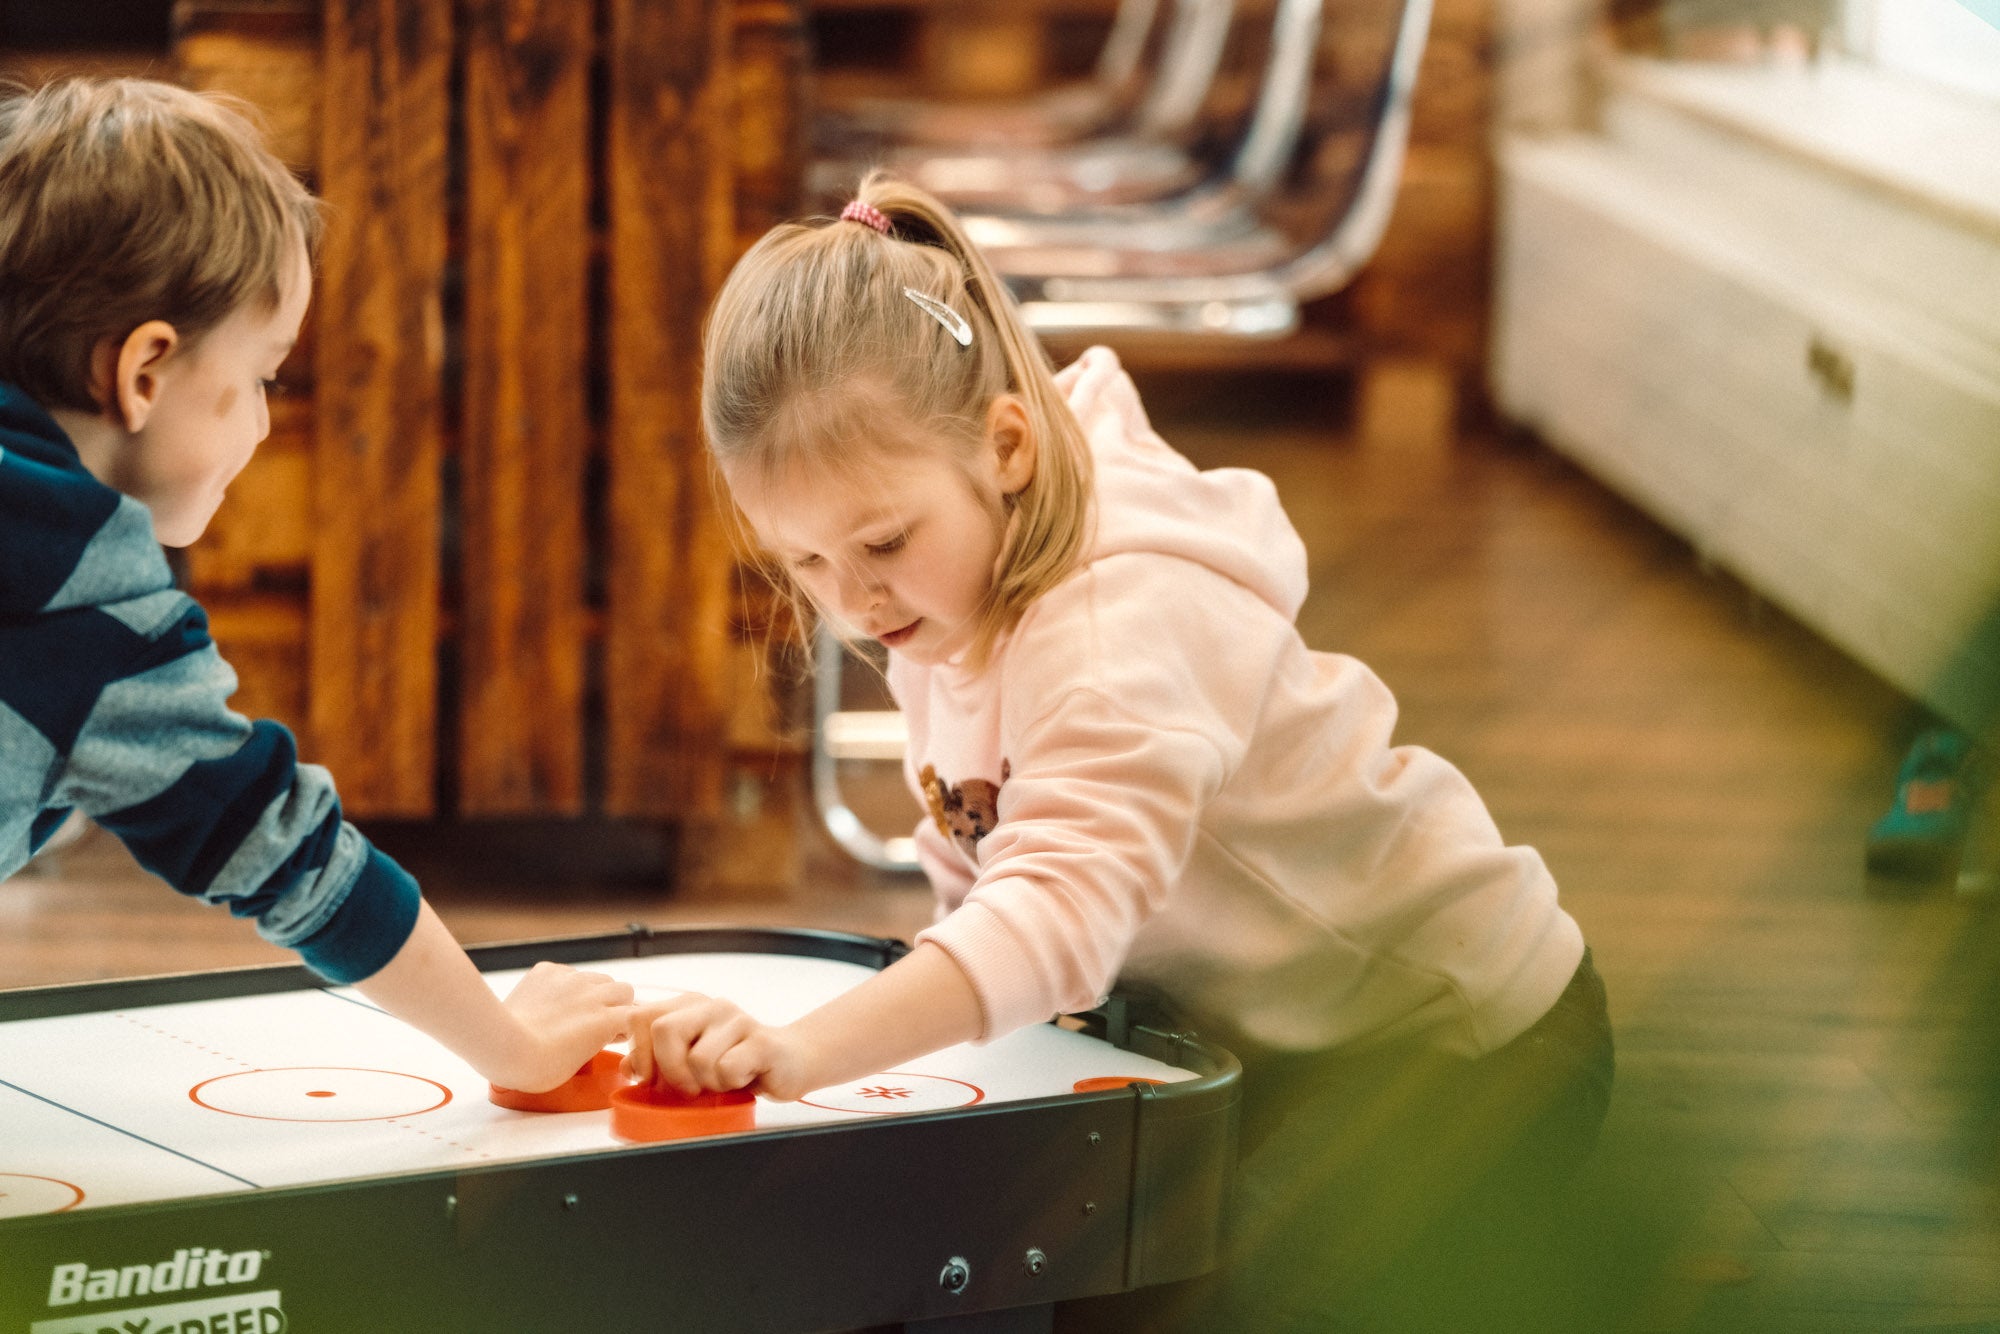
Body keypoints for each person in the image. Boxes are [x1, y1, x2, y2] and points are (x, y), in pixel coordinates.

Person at [629, 174, 1614, 1329]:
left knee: (1225, 1300)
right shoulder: (941, 587)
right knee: (1095, 1279)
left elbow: (1055, 909)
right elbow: (985, 855)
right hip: (1242, 1025)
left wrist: (801, 1050)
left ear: (1004, 445)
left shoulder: (1112, 626)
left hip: (1456, 1038)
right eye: (803, 560)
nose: (851, 599)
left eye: (881, 541)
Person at [0, 77, 631, 1094]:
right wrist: (511, 1047)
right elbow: (281, 846)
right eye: (263, 376)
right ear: (145, 373)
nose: (262, 421)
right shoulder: (87, 605)